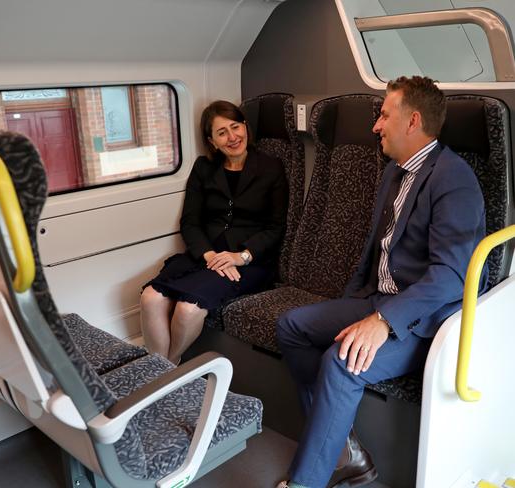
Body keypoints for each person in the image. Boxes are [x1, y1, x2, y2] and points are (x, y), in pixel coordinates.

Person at [275, 76, 488, 488]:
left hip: (423, 320)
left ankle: (306, 482)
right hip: (377, 298)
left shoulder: (453, 179)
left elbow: (451, 275)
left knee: (340, 362)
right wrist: (355, 304)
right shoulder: (394, 171)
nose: (376, 125)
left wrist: (383, 321)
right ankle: (345, 450)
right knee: (292, 326)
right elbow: (377, 250)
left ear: (413, 121)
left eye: (385, 115)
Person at [141, 100, 288, 365]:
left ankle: (167, 373)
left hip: (248, 261)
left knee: (187, 309)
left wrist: (240, 256)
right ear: (212, 141)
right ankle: (163, 376)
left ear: (246, 127)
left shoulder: (270, 167)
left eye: (236, 127)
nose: (232, 137)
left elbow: (275, 228)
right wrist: (209, 255)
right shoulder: (203, 168)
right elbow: (190, 223)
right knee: (150, 297)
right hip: (205, 255)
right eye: (222, 132)